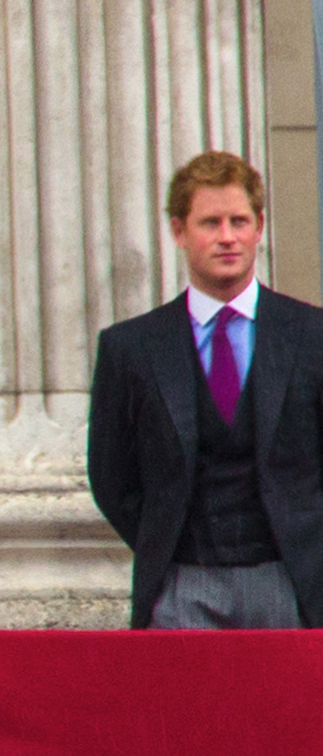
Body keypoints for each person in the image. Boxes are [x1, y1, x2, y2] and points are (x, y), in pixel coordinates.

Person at [88, 150, 323, 629]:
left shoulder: (312, 336)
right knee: (184, 707)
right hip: (181, 582)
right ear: (179, 231)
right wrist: (165, 542)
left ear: (259, 226)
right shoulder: (129, 348)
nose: (227, 237)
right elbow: (112, 476)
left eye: (239, 221)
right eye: (209, 223)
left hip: (290, 580)